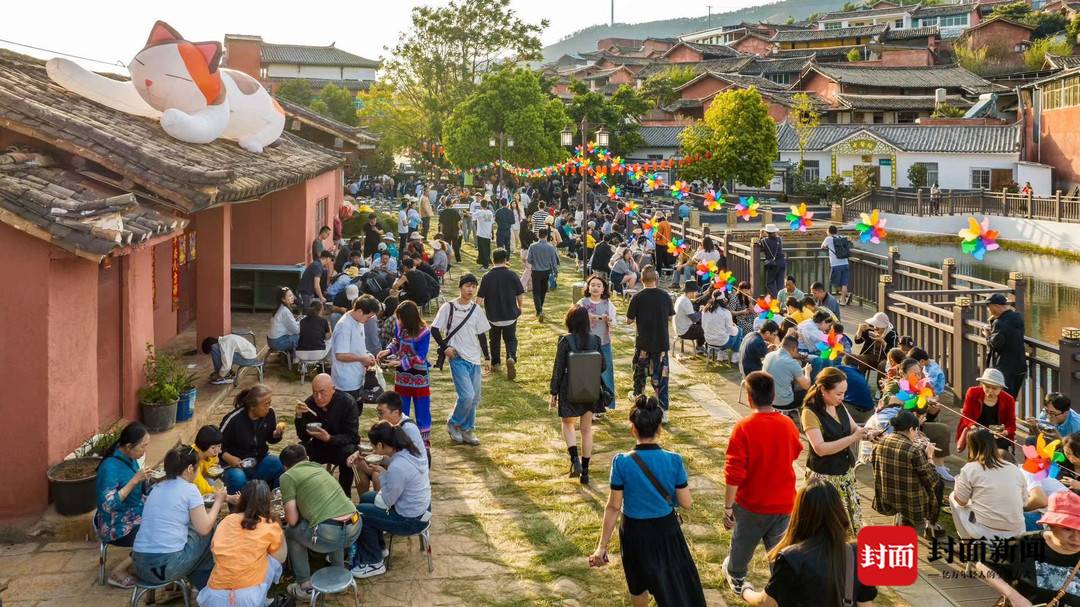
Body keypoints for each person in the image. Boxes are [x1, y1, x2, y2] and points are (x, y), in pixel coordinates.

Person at [588, 396, 707, 607]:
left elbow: (614, 506)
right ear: (659, 429)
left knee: (638, 584)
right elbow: (687, 503)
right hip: (666, 531)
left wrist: (602, 547)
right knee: (672, 588)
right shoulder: (674, 460)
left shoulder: (621, 462)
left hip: (634, 532)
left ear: (632, 428)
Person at [722, 372, 803, 594]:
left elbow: (733, 473)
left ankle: (737, 577)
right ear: (773, 395)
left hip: (751, 504)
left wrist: (728, 507)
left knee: (742, 548)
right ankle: (781, 587)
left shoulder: (743, 427)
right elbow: (796, 452)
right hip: (785, 502)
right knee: (780, 552)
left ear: (749, 398)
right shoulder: (787, 424)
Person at [739, 480, 878, 607]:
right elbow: (865, 604)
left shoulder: (791, 558)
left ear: (800, 513)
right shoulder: (859, 554)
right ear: (838, 510)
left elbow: (765, 602)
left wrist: (745, 590)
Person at [132, 446, 225, 591]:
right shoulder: (190, 489)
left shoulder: (156, 488)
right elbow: (204, 528)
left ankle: (194, 586)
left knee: (192, 530)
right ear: (189, 469)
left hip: (139, 565)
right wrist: (219, 501)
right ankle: (207, 588)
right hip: (165, 567)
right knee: (210, 529)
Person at [348, 421, 432, 579]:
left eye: (373, 447)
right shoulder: (409, 451)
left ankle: (374, 562)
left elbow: (387, 501)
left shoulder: (398, 467)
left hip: (410, 520)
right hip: (421, 509)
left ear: (380, 445)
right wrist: (382, 470)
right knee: (366, 498)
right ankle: (379, 548)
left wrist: (382, 475)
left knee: (361, 512)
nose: (373, 450)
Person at [279, 445, 361, 602]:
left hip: (331, 533)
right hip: (355, 526)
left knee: (290, 531)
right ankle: (339, 573)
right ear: (307, 458)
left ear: (285, 467)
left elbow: (292, 519)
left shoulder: (287, 477)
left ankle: (305, 586)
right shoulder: (319, 468)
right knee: (334, 521)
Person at [981, 491, 1080, 606]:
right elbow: (984, 566)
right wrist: (1014, 597)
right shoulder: (1026, 544)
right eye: (1067, 529)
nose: (1076, 538)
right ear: (1051, 524)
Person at [197, 480, 286, 607]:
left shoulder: (226, 521)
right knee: (272, 560)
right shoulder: (270, 525)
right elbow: (281, 558)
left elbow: (215, 553)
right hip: (249, 597)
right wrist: (279, 528)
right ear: (268, 502)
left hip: (215, 594)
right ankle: (264, 597)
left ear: (242, 499)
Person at [802, 367, 866, 531]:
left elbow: (854, 429)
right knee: (830, 525)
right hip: (825, 478)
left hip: (845, 473)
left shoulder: (839, 405)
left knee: (848, 521)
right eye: (838, 393)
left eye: (844, 393)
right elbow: (820, 448)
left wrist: (868, 433)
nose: (842, 397)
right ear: (823, 389)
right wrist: (852, 439)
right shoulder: (810, 413)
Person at [432, 273, 491, 446]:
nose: (470, 289)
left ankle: (467, 429)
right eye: (467, 286)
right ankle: (453, 422)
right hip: (457, 357)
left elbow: (482, 335)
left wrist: (487, 357)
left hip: (474, 358)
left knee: (475, 398)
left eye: (473, 286)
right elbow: (434, 329)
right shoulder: (448, 307)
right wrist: (446, 348)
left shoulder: (476, 310)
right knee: (467, 395)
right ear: (460, 287)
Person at [550, 305, 606, 485]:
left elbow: (558, 368)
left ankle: (574, 460)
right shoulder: (596, 340)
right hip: (590, 388)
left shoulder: (565, 340)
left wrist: (553, 392)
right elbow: (603, 366)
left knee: (567, 424)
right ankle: (586, 471)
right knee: (587, 429)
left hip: (569, 388)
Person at [95, 422, 150, 589]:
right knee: (156, 532)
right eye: (142, 446)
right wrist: (134, 481)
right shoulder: (109, 468)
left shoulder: (130, 458)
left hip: (134, 511)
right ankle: (118, 571)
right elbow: (108, 504)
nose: (144, 451)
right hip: (115, 524)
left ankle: (149, 561)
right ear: (128, 446)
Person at [870, 410, 940, 536]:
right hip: (912, 502)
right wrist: (929, 456)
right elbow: (932, 479)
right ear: (911, 429)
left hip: (888, 496)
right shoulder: (913, 450)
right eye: (916, 431)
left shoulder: (879, 444)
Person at [949, 428, 1027, 540]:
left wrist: (958, 487)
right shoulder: (1013, 468)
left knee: (953, 497)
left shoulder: (970, 469)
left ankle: (966, 543)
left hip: (986, 532)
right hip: (1017, 531)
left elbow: (961, 501)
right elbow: (1024, 501)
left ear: (971, 446)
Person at [378, 300, 433, 451]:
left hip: (419, 377)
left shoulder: (424, 332)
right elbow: (396, 341)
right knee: (401, 408)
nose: (399, 321)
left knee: (422, 409)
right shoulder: (400, 326)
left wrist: (400, 363)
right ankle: (402, 440)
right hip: (402, 376)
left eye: (401, 318)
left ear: (409, 318)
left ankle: (423, 445)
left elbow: (421, 357)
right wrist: (388, 351)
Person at [293, 374, 360, 494]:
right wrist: (299, 416)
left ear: (333, 389)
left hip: (341, 447)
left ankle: (345, 494)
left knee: (349, 453)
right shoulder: (309, 404)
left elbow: (352, 437)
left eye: (322, 392)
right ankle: (305, 492)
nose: (318, 397)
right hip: (318, 446)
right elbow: (303, 436)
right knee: (298, 450)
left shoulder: (347, 403)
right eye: (315, 392)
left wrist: (329, 438)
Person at [627, 266, 675, 420]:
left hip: (643, 343)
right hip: (661, 344)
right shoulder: (665, 296)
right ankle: (664, 411)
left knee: (639, 375)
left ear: (641, 279)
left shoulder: (637, 297)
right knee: (662, 378)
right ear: (656, 278)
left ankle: (638, 402)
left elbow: (629, 320)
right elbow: (670, 317)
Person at [219, 385, 285, 493]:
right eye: (265, 404)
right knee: (238, 478)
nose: (268, 408)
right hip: (236, 465)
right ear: (252, 406)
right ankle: (239, 506)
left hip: (259, 459)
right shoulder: (233, 420)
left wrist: (276, 435)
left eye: (270, 403)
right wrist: (229, 458)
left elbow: (270, 439)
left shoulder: (270, 414)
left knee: (278, 464)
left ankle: (273, 500)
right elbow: (217, 445)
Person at [477, 248, 524, 378]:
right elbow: (519, 294)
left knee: (494, 339)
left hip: (493, 317)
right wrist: (520, 307)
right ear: (506, 260)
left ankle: (496, 362)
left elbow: (479, 298)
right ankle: (511, 356)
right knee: (511, 339)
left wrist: (476, 311)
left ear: (492, 260)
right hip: (510, 315)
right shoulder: (512, 275)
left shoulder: (487, 277)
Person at [578, 274, 618, 408]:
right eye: (593, 285)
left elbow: (614, 324)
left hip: (604, 344)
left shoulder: (608, 304)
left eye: (598, 286)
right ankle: (589, 405)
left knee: (606, 374)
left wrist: (609, 321)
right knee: (588, 375)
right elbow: (574, 322)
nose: (595, 288)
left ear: (603, 289)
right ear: (588, 288)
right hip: (586, 344)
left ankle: (606, 403)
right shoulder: (582, 303)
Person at [956, 367, 1017, 453]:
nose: (990, 391)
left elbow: (1011, 424)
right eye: (987, 387)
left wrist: (1005, 432)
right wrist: (973, 427)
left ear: (1001, 388)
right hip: (976, 430)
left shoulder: (1009, 399)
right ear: (982, 384)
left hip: (997, 434)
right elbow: (966, 415)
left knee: (1002, 448)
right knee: (976, 439)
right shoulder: (972, 392)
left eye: (994, 388)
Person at [331, 295, 379, 402]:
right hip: (345, 381)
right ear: (360, 311)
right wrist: (362, 359)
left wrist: (367, 355)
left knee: (357, 411)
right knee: (348, 414)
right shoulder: (344, 326)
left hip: (357, 377)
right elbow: (340, 355)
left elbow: (358, 346)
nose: (369, 320)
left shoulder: (359, 321)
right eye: (368, 317)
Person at [985, 293, 1027, 399]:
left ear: (996, 306)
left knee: (1002, 399)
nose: (988, 310)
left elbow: (996, 344)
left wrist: (988, 335)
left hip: (1004, 368)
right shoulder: (1017, 317)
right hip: (1019, 366)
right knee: (1011, 398)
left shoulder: (1000, 323)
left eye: (989, 307)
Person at [763, 336, 810, 426]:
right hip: (784, 402)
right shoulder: (792, 363)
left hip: (767, 399)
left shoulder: (769, 355)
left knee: (785, 383)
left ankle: (784, 414)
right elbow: (806, 385)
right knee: (810, 390)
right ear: (794, 349)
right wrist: (807, 372)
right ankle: (806, 419)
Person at [526, 228, 560, 321]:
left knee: (536, 291)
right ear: (546, 236)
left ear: (538, 235)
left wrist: (534, 262)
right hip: (546, 271)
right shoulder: (550, 247)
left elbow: (528, 259)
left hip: (536, 271)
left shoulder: (532, 246)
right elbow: (554, 261)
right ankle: (540, 307)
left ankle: (539, 310)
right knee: (543, 290)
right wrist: (555, 271)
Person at [702, 289, 741, 361]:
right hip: (722, 342)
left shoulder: (705, 310)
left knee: (724, 332)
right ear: (723, 300)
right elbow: (731, 331)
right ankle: (735, 355)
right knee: (739, 330)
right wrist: (735, 327)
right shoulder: (725, 312)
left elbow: (703, 326)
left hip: (708, 340)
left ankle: (721, 353)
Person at [820, 226, 851, 305]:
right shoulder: (842, 237)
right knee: (844, 283)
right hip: (845, 263)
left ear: (828, 231)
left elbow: (822, 247)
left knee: (833, 282)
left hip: (836, 264)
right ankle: (844, 299)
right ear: (836, 231)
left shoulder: (828, 238)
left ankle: (844, 296)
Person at [192, 425, 223, 497]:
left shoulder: (212, 454)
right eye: (213, 448)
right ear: (203, 445)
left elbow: (212, 467)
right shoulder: (193, 459)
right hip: (190, 486)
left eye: (219, 446)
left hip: (204, 479)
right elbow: (200, 485)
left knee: (219, 484)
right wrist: (219, 493)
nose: (217, 451)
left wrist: (215, 467)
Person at [674, 281, 705, 351]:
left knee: (699, 324)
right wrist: (701, 311)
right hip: (684, 331)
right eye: (696, 291)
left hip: (678, 328)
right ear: (691, 292)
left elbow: (692, 307)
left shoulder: (681, 298)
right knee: (703, 328)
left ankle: (699, 345)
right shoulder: (686, 302)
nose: (697, 293)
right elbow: (695, 319)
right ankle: (700, 346)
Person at [267, 287, 300, 353]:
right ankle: (296, 359)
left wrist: (298, 323)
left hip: (272, 341)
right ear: (283, 299)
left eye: (292, 295)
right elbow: (296, 330)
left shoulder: (280, 307)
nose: (292, 297)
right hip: (277, 343)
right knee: (303, 336)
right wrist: (302, 324)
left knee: (295, 334)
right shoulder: (285, 311)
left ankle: (290, 357)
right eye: (290, 296)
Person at [761, 224, 786, 297]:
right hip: (782, 263)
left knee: (769, 283)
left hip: (773, 265)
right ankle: (782, 300)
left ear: (767, 232)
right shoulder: (779, 239)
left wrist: (760, 235)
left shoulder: (764, 241)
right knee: (780, 284)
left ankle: (777, 298)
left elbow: (761, 246)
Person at [474, 198, 494, 268]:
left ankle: (485, 265)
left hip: (481, 234)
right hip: (488, 234)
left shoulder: (480, 212)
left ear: (480, 205)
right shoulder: (490, 212)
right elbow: (492, 223)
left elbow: (472, 216)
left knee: (483, 250)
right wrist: (492, 233)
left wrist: (465, 212)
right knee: (487, 249)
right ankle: (486, 262)